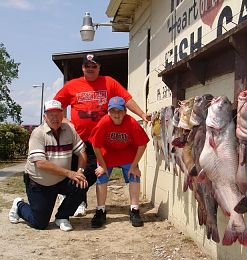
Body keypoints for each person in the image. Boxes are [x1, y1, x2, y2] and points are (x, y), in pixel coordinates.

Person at [54, 53, 149, 217]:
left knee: (93, 173)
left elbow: (126, 99)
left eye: (94, 66)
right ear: (82, 68)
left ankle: (86, 202)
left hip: (103, 139)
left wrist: (142, 114)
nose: (90, 69)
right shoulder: (72, 85)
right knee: (80, 170)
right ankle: (79, 202)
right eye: (87, 66)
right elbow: (57, 104)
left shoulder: (108, 82)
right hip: (80, 139)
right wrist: (63, 119)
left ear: (99, 67)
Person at [8, 100, 88, 232]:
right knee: (39, 223)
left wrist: (79, 171)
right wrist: (70, 173)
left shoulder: (69, 129)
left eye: (57, 113)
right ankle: (19, 205)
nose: (55, 117)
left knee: (81, 183)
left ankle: (62, 217)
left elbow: (82, 152)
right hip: (40, 184)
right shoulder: (38, 133)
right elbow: (40, 163)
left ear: (62, 115)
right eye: (50, 114)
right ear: (45, 117)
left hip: (61, 180)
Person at [90, 96, 149, 228]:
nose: (116, 114)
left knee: (134, 175)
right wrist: (103, 166)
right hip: (108, 153)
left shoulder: (131, 122)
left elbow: (142, 145)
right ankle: (100, 210)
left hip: (126, 152)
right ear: (108, 112)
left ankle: (134, 209)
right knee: (101, 175)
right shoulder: (104, 122)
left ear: (125, 112)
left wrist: (133, 167)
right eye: (113, 111)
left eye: (120, 111)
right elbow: (96, 145)